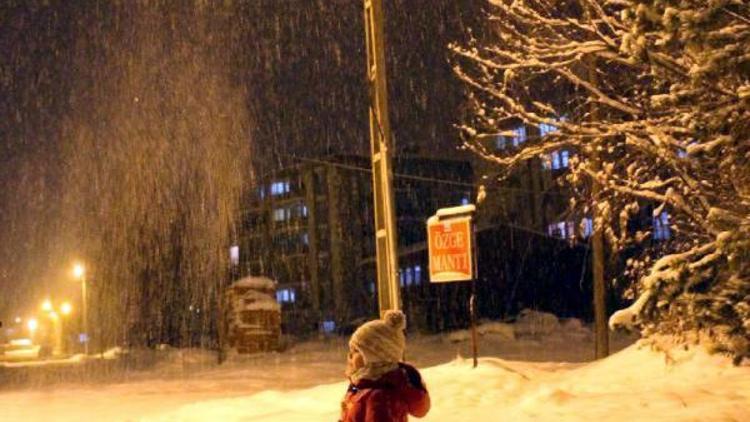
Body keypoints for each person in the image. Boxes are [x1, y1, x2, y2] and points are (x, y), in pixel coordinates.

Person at [340, 310, 430, 422]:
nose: (350, 355)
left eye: (356, 351)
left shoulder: (379, 397)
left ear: (375, 356)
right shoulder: (363, 387)